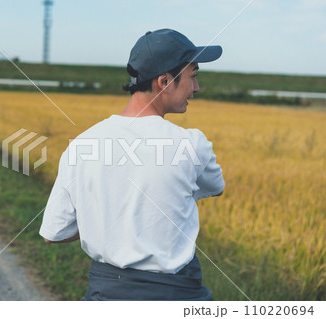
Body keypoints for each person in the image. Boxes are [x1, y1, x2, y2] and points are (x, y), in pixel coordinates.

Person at [39, 28, 225, 301]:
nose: (196, 88)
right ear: (163, 81)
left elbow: (53, 234)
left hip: (105, 295)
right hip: (176, 296)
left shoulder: (81, 146)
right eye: (193, 76)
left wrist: (105, 222)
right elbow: (215, 187)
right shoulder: (191, 144)